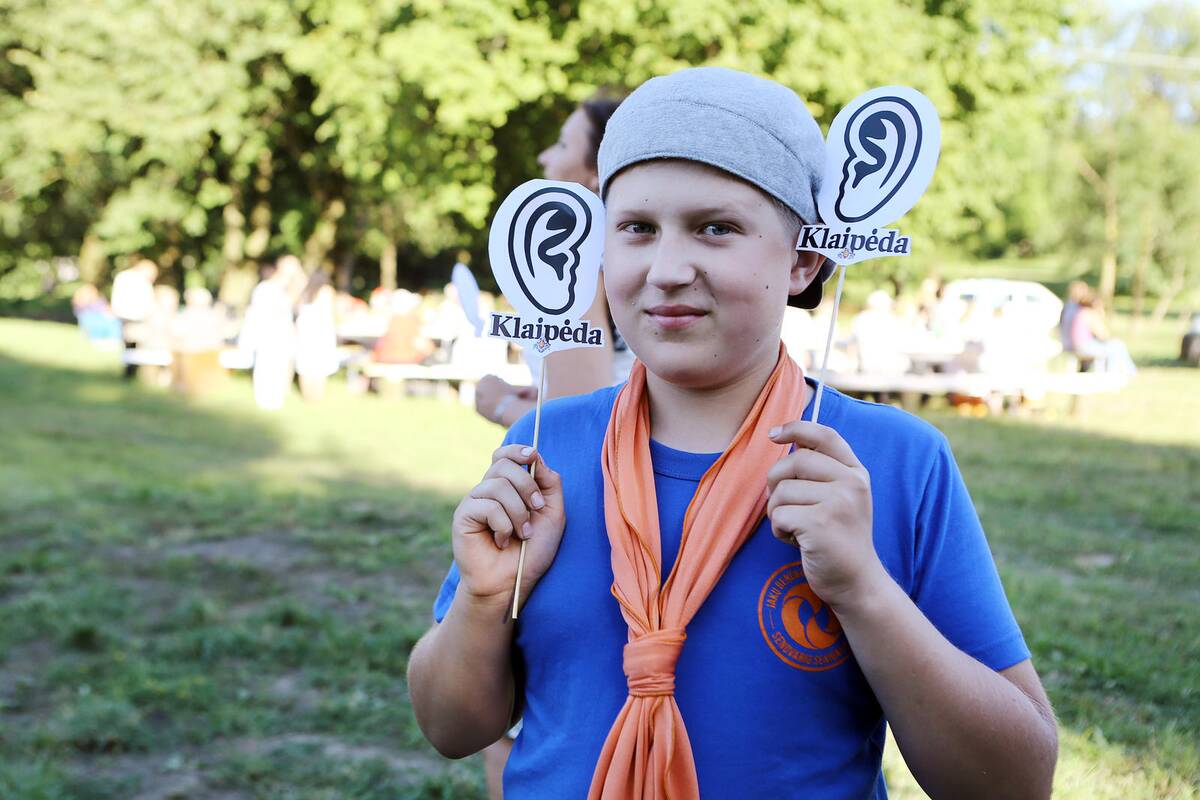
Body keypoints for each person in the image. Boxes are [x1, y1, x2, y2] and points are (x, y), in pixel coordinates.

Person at [408, 68, 1057, 798]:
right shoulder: (544, 447)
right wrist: (484, 600)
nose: (667, 269)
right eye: (637, 229)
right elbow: (450, 727)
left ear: (803, 259)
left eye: (716, 228)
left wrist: (864, 590)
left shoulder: (893, 461)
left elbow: (1015, 783)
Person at [475, 97, 630, 429]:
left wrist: (499, 404)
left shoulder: (570, 270)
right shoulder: (620, 257)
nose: (544, 157)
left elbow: (578, 423)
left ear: (596, 174)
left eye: (562, 145)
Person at [240, 257, 300, 410]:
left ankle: (274, 398)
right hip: (268, 337)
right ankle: (266, 399)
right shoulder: (266, 289)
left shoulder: (279, 290)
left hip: (281, 337)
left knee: (278, 367)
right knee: (267, 367)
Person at [294, 271, 340, 402]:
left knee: (306, 365)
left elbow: (297, 310)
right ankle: (317, 396)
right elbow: (334, 311)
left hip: (306, 331)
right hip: (322, 331)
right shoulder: (327, 291)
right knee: (320, 366)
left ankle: (307, 396)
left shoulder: (305, 292)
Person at [1069, 288, 1137, 376]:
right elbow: (1103, 336)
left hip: (1075, 346)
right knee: (1117, 345)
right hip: (1083, 347)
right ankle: (1124, 372)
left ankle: (1126, 371)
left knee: (1116, 345)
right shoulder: (1090, 314)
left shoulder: (1080, 312)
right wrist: (1101, 316)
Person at [110, 258, 159, 377]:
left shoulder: (124, 277)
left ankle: (132, 369)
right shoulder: (137, 280)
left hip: (131, 317)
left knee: (131, 346)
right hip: (133, 317)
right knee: (132, 345)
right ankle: (131, 370)